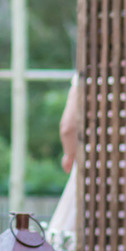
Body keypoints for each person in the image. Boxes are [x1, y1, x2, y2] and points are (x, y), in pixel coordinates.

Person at [47, 73, 81, 235]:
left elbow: (68, 127)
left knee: (65, 231)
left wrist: (69, 154)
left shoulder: (86, 75)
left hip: (94, 171)